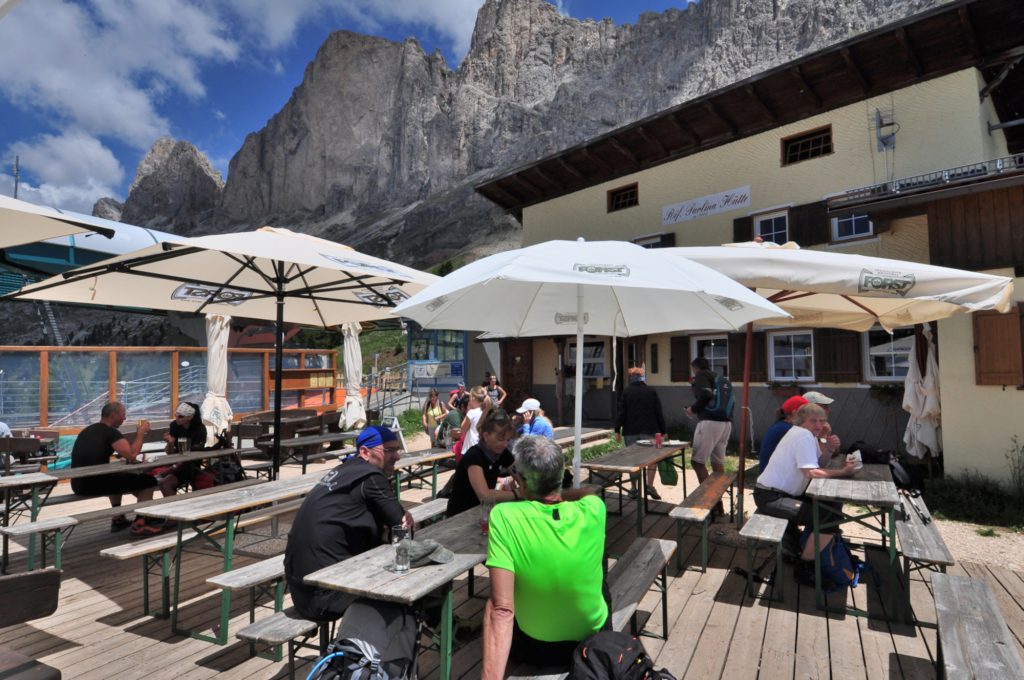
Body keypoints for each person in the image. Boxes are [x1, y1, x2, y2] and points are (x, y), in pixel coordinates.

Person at [482, 436, 607, 679]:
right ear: (561, 474)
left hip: (537, 647)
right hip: (592, 639)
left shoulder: (505, 516)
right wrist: (557, 490)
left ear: (521, 480)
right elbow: (588, 492)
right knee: (596, 570)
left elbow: (503, 611)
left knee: (496, 601)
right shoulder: (595, 508)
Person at [284, 425, 412, 622]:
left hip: (301, 592)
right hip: (327, 595)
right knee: (404, 580)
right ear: (364, 452)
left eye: (397, 449)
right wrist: (404, 518)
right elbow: (403, 531)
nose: (397, 457)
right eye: (389, 450)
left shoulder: (345, 470)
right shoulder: (371, 476)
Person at [753, 403, 856, 583]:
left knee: (831, 505)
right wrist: (844, 472)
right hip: (771, 497)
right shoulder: (802, 436)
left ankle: (809, 548)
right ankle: (805, 566)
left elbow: (818, 464)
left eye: (822, 421)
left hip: (783, 494)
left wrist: (830, 449)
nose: (819, 425)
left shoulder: (804, 434)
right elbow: (811, 473)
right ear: (802, 421)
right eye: (813, 421)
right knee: (828, 517)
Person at [70, 401, 162, 536]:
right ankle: (140, 523)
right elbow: (132, 455)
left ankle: (118, 518)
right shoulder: (110, 432)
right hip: (94, 484)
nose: (124, 418)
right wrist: (141, 433)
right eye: (123, 415)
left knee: (117, 475)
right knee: (149, 481)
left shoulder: (88, 430)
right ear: (113, 415)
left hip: (78, 484)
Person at [446, 409, 519, 517]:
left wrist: (526, 485)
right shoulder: (474, 455)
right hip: (460, 515)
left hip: (482, 511)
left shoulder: (502, 453)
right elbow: (484, 495)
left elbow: (521, 476)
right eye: (500, 439)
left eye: (507, 440)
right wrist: (517, 494)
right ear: (486, 436)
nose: (505, 444)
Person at [614, 366, 667, 499]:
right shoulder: (651, 391)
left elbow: (621, 412)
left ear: (630, 378)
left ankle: (634, 489)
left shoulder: (626, 392)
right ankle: (649, 486)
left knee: (633, 460)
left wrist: (617, 430)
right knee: (652, 459)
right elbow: (659, 412)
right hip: (650, 430)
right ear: (643, 378)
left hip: (630, 431)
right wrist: (664, 431)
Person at [685, 356, 732, 484]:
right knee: (717, 462)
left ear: (695, 368)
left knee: (697, 462)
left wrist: (692, 409)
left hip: (709, 423)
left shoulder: (701, 375)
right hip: (726, 422)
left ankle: (706, 498)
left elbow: (706, 394)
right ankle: (718, 499)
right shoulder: (718, 376)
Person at [157, 402, 208, 497]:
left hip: (191, 465)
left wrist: (177, 463)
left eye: (180, 416)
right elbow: (170, 453)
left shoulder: (200, 429)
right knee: (156, 481)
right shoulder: (174, 426)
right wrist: (170, 443)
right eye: (176, 415)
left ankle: (174, 509)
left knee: (165, 483)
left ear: (190, 417)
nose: (177, 418)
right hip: (175, 462)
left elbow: (197, 453)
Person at [758, 395, 807, 473]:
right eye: (807, 412)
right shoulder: (787, 429)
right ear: (795, 413)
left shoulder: (782, 425)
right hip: (773, 480)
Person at [802, 390, 841, 457]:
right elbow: (818, 459)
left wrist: (832, 444)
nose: (828, 410)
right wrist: (823, 435)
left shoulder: (822, 425)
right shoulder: (803, 430)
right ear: (810, 408)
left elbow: (834, 452)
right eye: (824, 407)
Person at [460, 385, 492, 451]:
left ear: (472, 398)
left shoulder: (471, 412)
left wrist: (468, 409)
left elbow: (462, 429)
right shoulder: (487, 410)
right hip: (484, 446)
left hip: (471, 447)